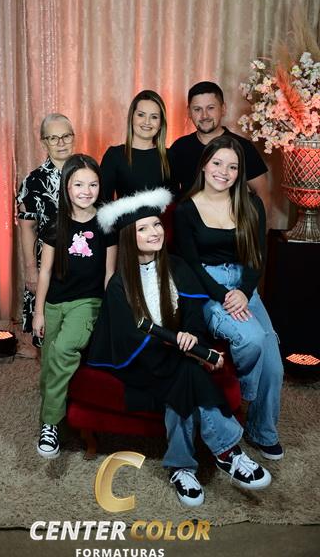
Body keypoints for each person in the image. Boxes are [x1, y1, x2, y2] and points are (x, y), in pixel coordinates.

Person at [88, 188, 271, 507]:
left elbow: (194, 316)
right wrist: (187, 351)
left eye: (157, 224)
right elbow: (128, 339)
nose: (154, 232)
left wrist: (192, 338)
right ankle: (229, 452)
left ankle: (182, 468)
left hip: (178, 359)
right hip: (142, 365)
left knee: (183, 379)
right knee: (186, 371)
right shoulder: (120, 284)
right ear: (129, 237)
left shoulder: (178, 267)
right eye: (143, 228)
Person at [174, 135, 284, 461]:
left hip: (245, 285)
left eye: (233, 167)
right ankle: (246, 396)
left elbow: (257, 256)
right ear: (204, 165)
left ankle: (262, 432)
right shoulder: (186, 209)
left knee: (274, 362)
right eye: (218, 163)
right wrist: (224, 296)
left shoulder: (251, 204)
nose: (224, 172)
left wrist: (244, 292)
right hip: (209, 288)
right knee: (252, 339)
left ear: (239, 172)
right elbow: (191, 264)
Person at [32, 155, 117, 458]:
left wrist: (109, 314)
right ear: (67, 187)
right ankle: (56, 404)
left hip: (88, 302)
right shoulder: (55, 224)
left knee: (64, 349)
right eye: (79, 184)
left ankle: (50, 423)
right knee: (49, 363)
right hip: (54, 302)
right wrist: (38, 312)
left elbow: (109, 273)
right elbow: (44, 271)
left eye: (93, 184)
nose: (86, 191)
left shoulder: (106, 222)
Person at [16, 113, 75, 345]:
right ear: (43, 142)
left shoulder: (87, 173)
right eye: (53, 138)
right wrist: (31, 270)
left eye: (66, 136)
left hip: (84, 262)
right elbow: (27, 228)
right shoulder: (32, 182)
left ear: (73, 137)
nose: (61, 143)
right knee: (47, 331)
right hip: (47, 266)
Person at [169, 81, 270, 214]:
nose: (204, 116)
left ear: (223, 109)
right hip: (187, 224)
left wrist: (256, 227)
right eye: (197, 109)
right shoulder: (179, 147)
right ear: (189, 112)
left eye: (211, 108)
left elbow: (262, 194)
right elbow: (170, 195)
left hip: (230, 225)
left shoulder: (243, 147)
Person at [100, 90, 175, 200]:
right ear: (131, 118)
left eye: (154, 117)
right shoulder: (114, 156)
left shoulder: (170, 157)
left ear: (160, 124)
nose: (147, 122)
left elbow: (175, 202)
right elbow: (103, 201)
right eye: (141, 115)